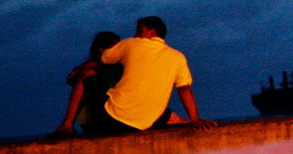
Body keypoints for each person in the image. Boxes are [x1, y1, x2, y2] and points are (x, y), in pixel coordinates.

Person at [81, 16, 216, 134]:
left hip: (112, 117)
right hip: (143, 125)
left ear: (152, 33)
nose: (135, 35)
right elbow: (184, 89)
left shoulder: (131, 44)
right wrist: (196, 120)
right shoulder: (178, 57)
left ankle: (67, 124)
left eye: (139, 31)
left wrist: (78, 70)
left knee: (87, 73)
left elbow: (103, 59)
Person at [51, 31, 124, 136]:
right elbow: (71, 79)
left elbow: (70, 79)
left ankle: (67, 124)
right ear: (102, 49)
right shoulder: (101, 68)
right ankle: (67, 125)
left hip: (100, 120)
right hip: (97, 120)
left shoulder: (115, 67)